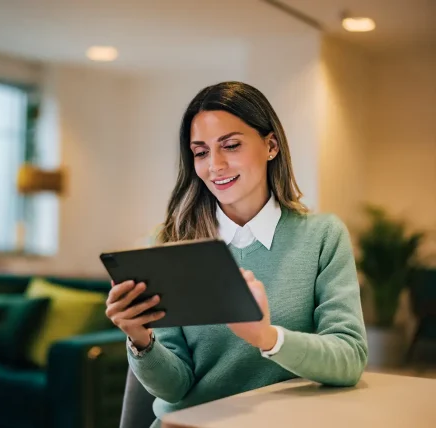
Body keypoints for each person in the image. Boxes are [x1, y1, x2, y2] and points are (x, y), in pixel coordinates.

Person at [106, 81, 368, 427]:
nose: (215, 165)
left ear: (270, 145)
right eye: (200, 152)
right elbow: (174, 388)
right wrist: (140, 339)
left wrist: (267, 338)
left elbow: (349, 359)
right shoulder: (167, 244)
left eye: (230, 145)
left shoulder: (322, 236)